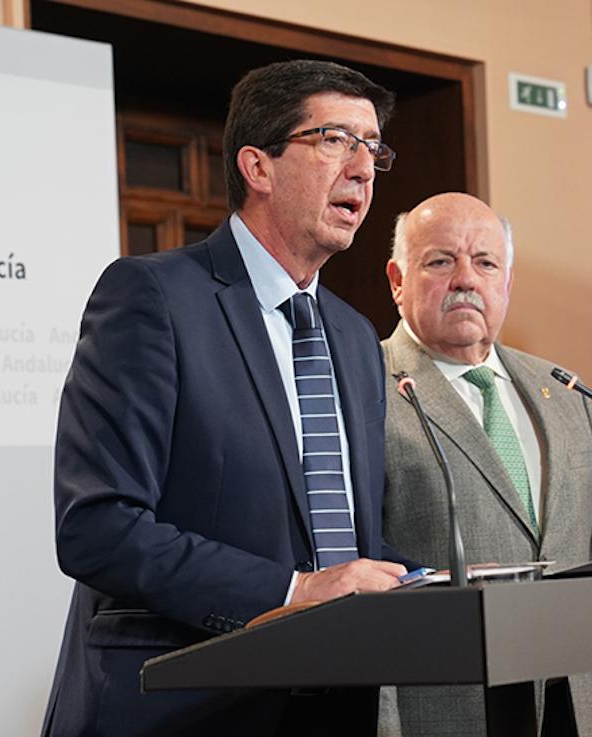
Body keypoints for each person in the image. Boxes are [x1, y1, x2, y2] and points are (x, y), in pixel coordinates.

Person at [41, 60, 410, 737]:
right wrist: (291, 593)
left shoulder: (357, 338)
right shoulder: (152, 298)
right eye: (335, 139)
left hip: (330, 708)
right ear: (257, 166)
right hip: (183, 706)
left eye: (373, 147)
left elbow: (340, 534)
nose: (363, 168)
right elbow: (97, 527)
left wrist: (423, 582)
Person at [379, 193, 592, 737]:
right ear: (397, 280)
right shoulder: (365, 390)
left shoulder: (562, 389)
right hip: (444, 713)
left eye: (485, 262)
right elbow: (363, 588)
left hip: (572, 709)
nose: (465, 278)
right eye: (440, 261)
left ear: (507, 281)